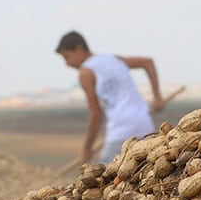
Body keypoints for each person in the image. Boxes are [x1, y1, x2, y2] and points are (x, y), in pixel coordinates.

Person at [55, 31, 164, 164]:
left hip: (121, 133)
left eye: (67, 57)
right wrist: (157, 97)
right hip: (145, 125)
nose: (67, 64)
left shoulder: (86, 73)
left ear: (79, 49)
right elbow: (148, 62)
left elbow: (96, 114)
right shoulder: (113, 59)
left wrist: (87, 148)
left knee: (105, 176)